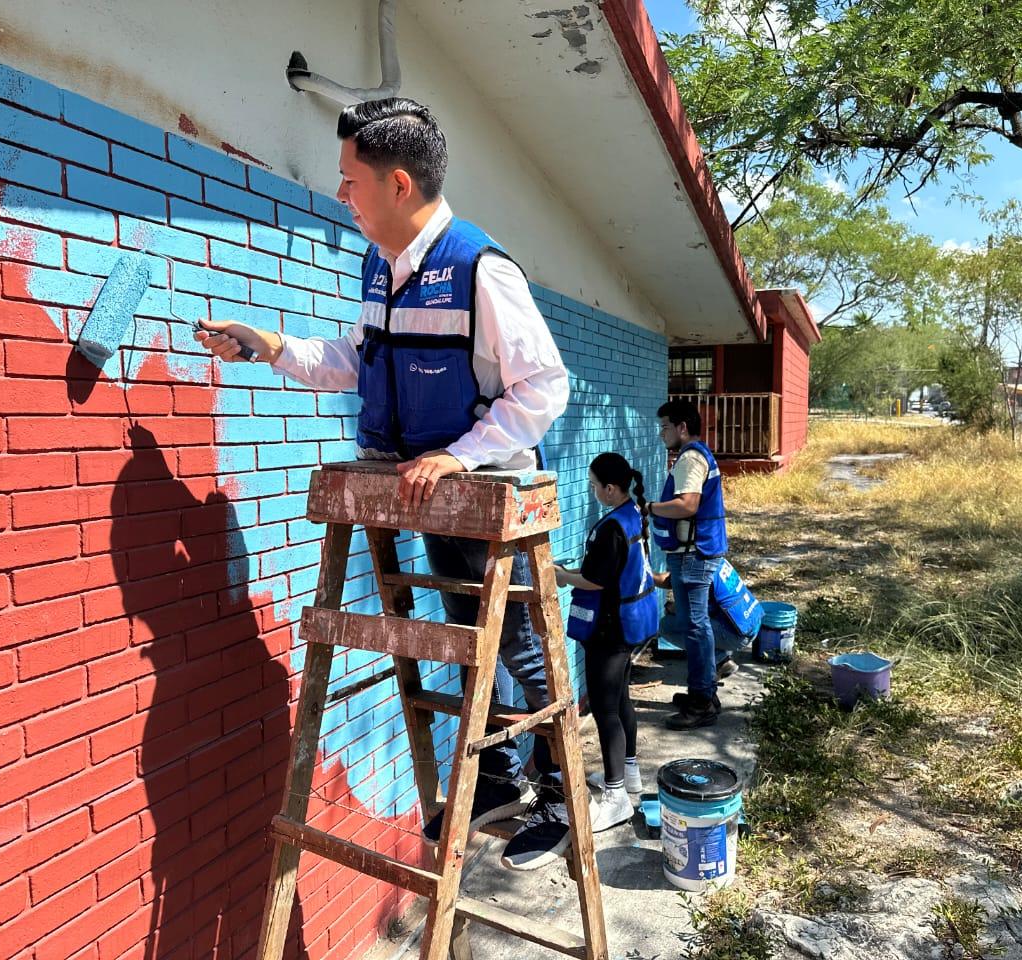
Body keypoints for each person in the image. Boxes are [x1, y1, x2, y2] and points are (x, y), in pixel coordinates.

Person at [194, 98, 572, 871]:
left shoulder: (480, 269)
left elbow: (544, 389)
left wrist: (463, 455)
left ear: (398, 184)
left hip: (476, 492)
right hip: (425, 487)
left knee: (520, 648)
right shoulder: (381, 266)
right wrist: (272, 346)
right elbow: (359, 361)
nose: (342, 194)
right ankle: (495, 779)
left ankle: (564, 797)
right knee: (472, 643)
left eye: (349, 180)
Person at [554, 453, 657, 833]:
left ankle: (616, 799)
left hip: (609, 631)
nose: (593, 491)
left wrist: (562, 575)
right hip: (627, 627)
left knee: (604, 710)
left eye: (595, 485)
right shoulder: (633, 514)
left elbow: (596, 581)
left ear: (610, 489)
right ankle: (628, 775)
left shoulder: (612, 527)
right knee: (622, 700)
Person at [646, 399, 729, 730]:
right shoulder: (699, 455)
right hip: (699, 551)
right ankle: (705, 691)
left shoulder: (690, 458)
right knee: (697, 626)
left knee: (695, 628)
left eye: (665, 427)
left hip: (694, 554)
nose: (661, 434)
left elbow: (687, 505)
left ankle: (701, 702)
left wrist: (649, 507)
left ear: (682, 427)